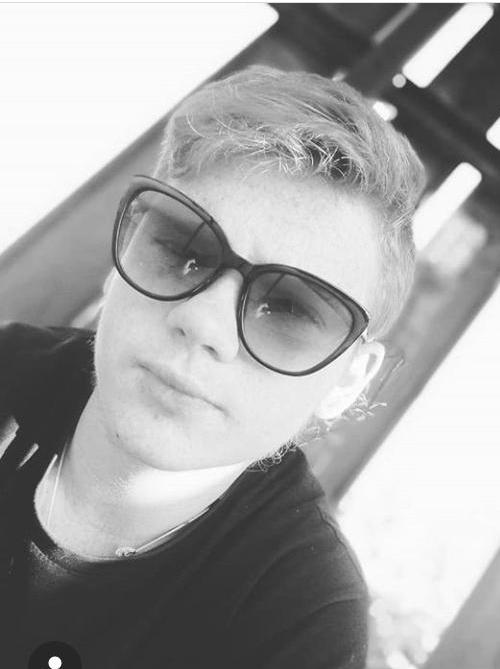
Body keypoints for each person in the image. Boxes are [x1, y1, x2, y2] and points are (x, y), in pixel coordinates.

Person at [0, 65, 425, 669]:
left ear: (349, 380)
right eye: (183, 248)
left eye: (291, 309)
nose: (203, 323)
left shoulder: (295, 624)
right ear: (122, 256)